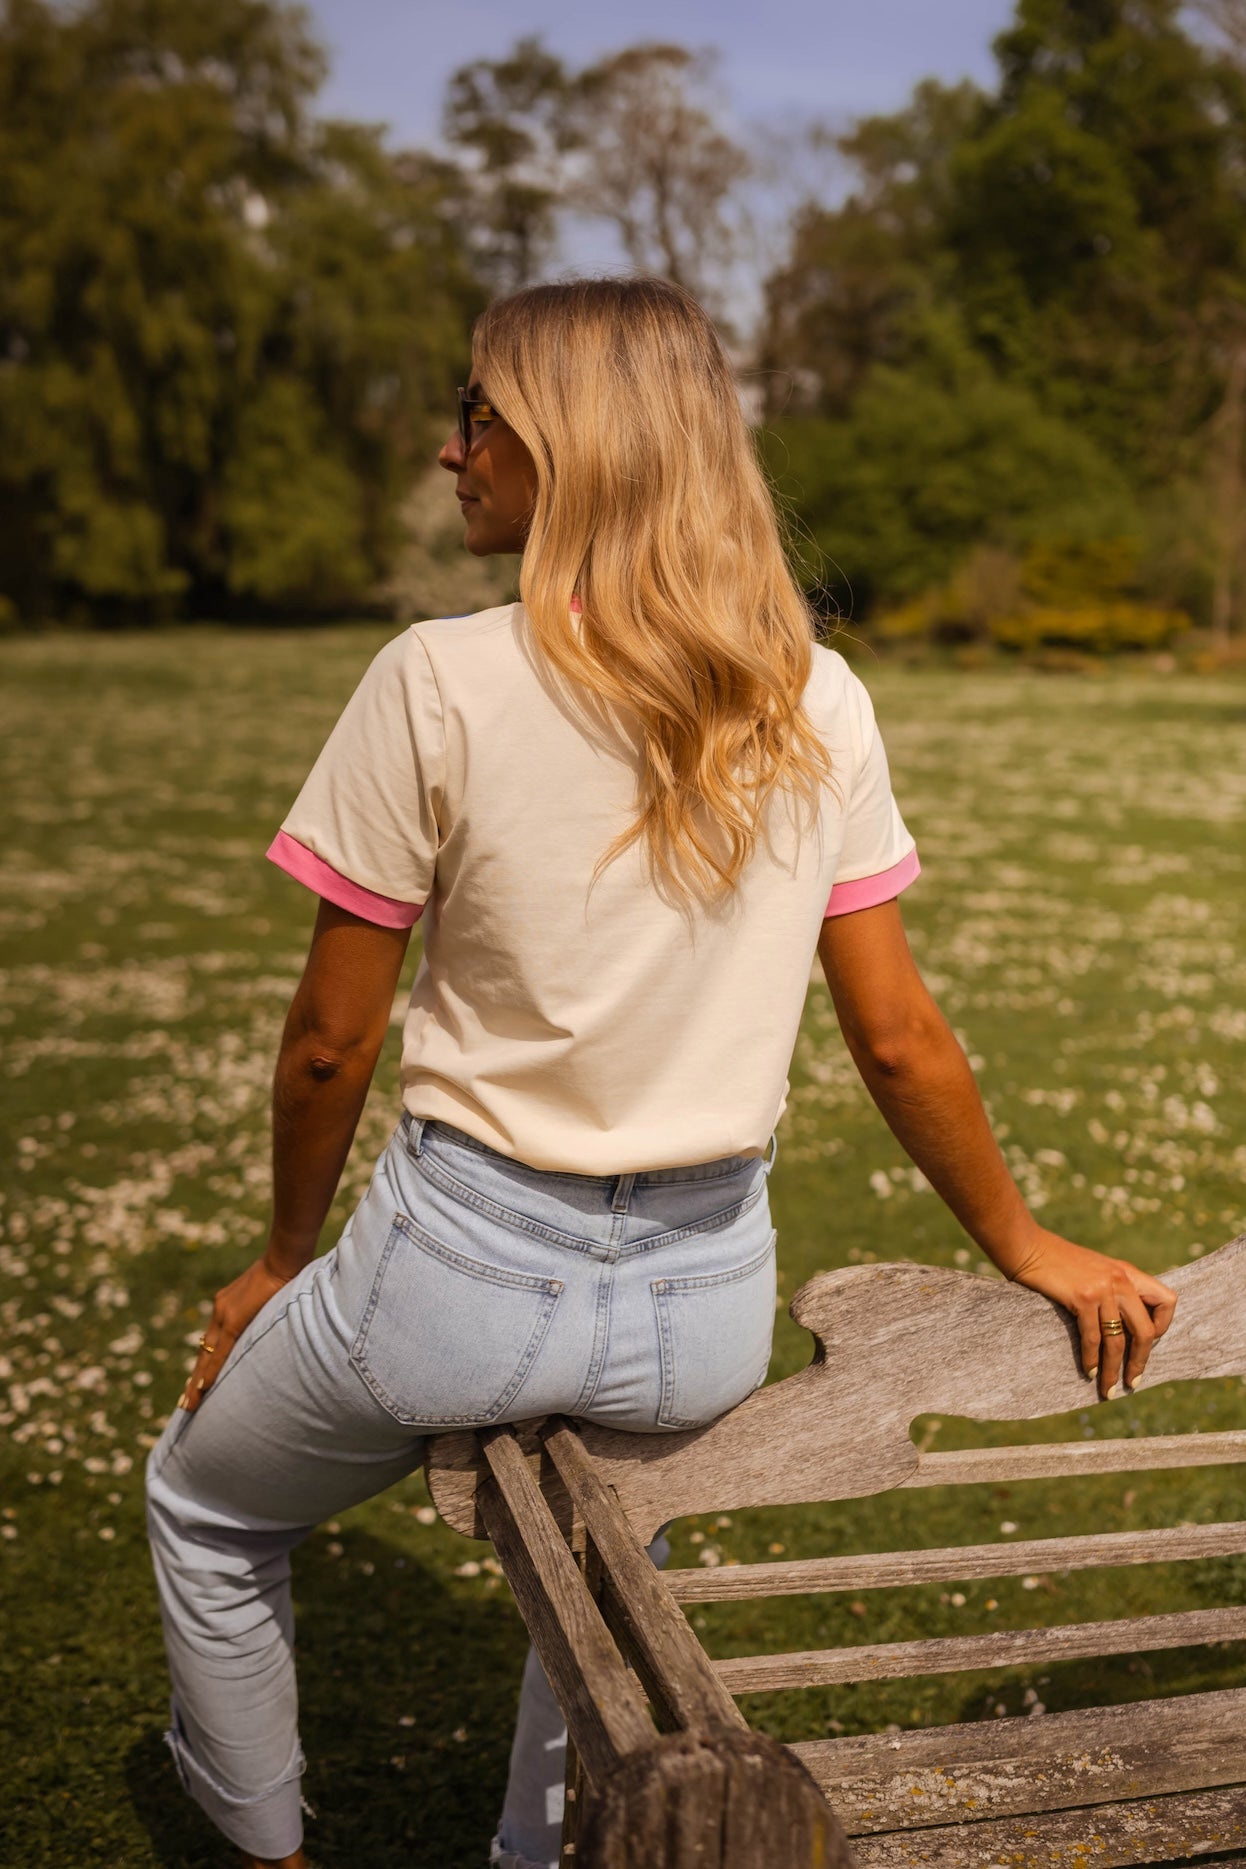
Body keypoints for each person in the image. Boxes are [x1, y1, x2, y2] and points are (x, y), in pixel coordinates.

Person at [145, 277, 1177, 1869]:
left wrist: (282, 1258)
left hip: (457, 1282)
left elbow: (330, 1042)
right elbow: (896, 1033)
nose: (450, 451)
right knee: (606, 1614)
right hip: (700, 1315)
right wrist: (1024, 1241)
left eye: (478, 415)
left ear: (569, 442)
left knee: (205, 1508)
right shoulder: (814, 693)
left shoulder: (435, 677)